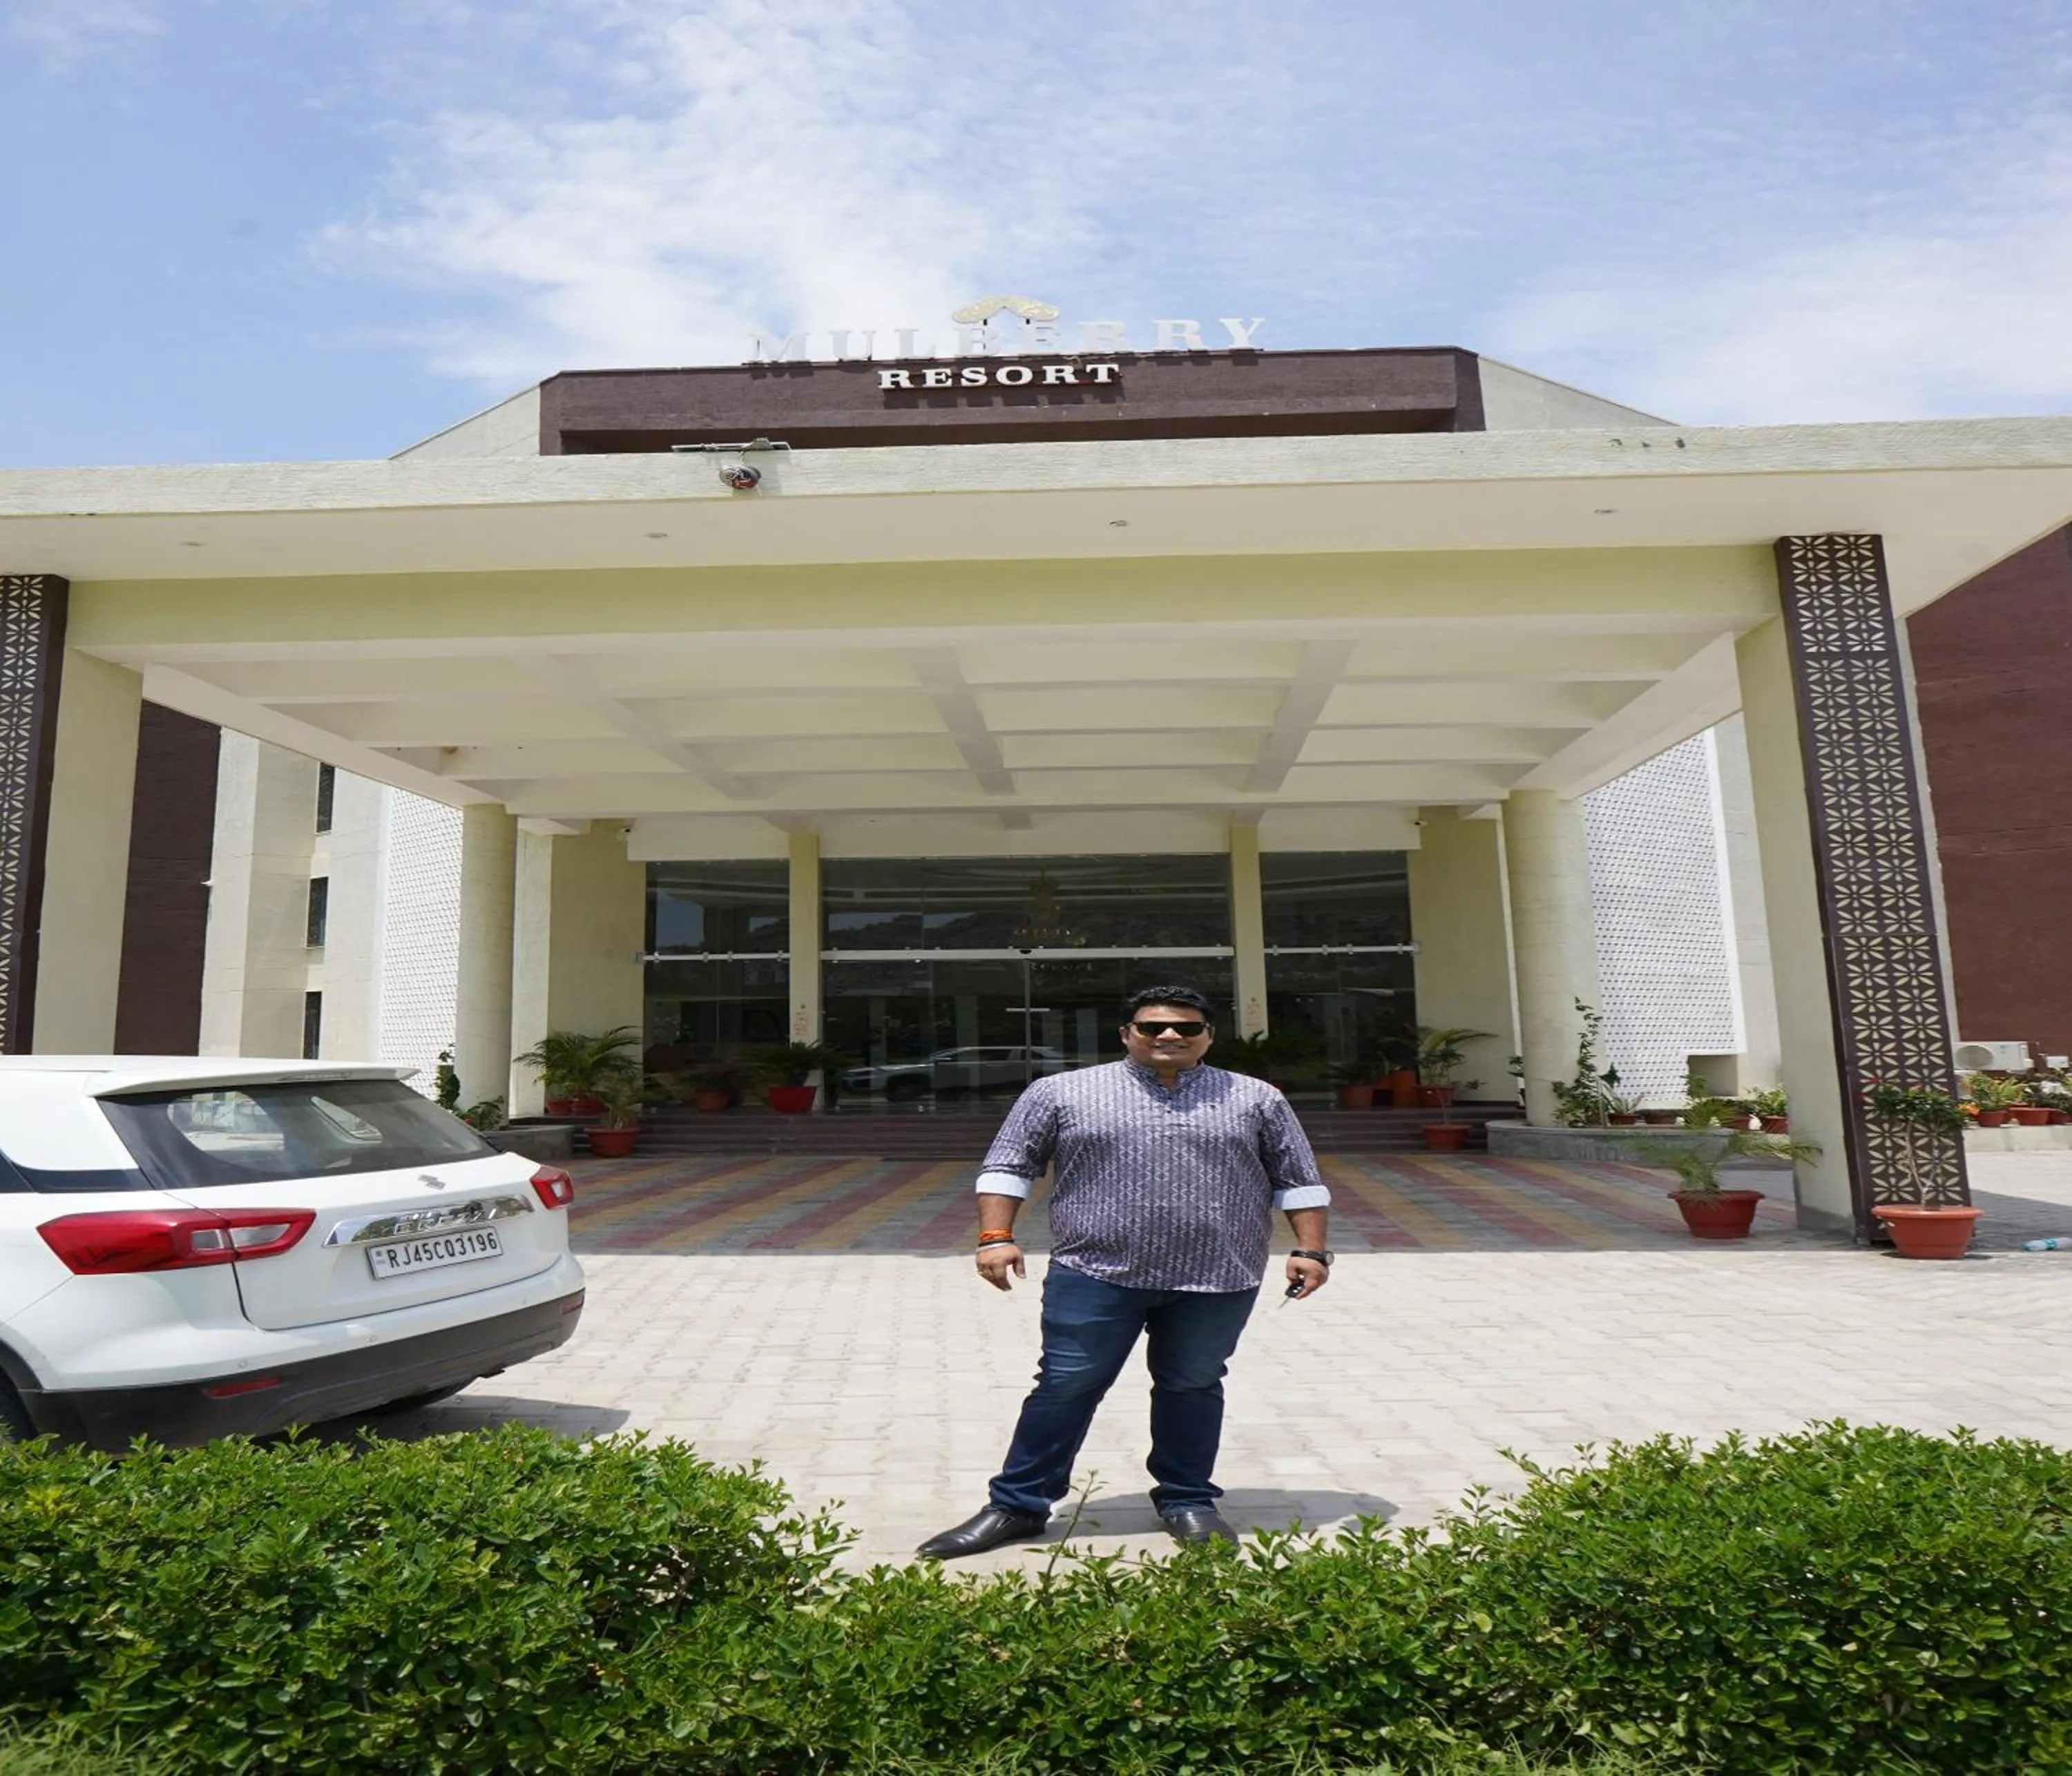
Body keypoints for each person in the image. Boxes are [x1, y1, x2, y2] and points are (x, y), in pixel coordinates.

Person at [917, 985, 1332, 1560]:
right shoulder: (1061, 1093)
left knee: (1192, 1386)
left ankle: (1187, 1500)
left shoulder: (1256, 1098)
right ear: (1125, 1033)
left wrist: (1312, 1250)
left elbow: (1299, 1177)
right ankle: (1017, 1505)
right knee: (1066, 1386)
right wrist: (995, 1237)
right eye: (1152, 1027)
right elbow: (1009, 1165)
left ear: (1209, 1036)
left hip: (1217, 1277)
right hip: (1095, 1273)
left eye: (1187, 1028)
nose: (1169, 1036)